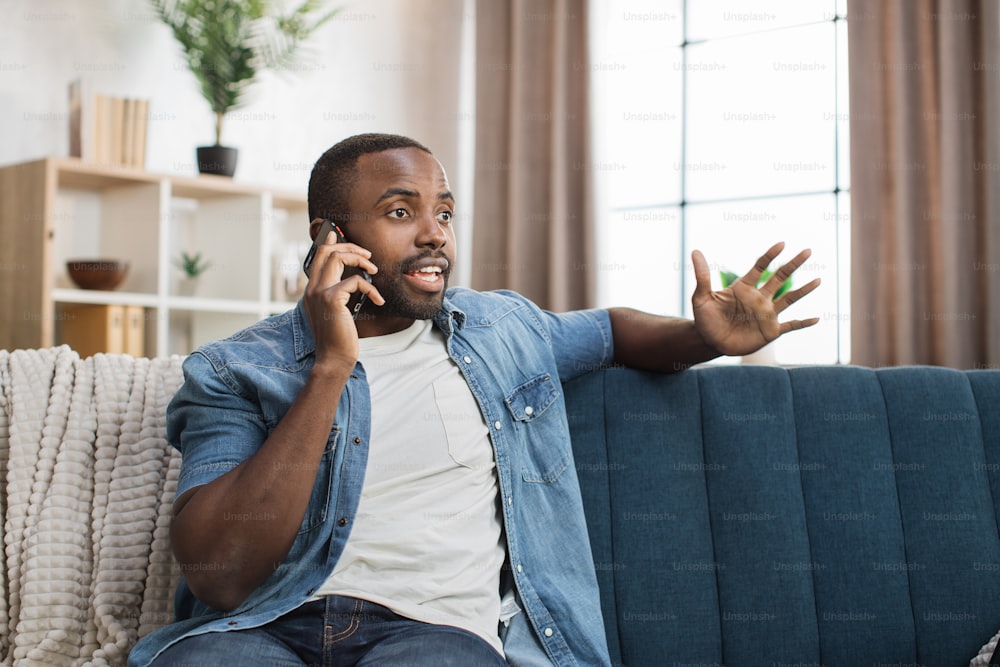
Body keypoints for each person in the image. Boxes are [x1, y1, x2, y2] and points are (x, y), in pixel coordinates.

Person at [129, 133, 820, 667]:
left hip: (430, 634)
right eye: (401, 211)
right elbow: (219, 574)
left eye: (445, 212)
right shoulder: (235, 368)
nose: (435, 233)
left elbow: (611, 331)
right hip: (262, 629)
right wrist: (331, 367)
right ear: (329, 239)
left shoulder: (502, 329)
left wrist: (703, 338)